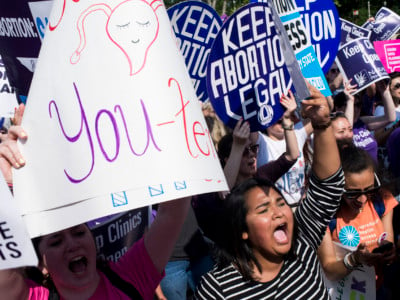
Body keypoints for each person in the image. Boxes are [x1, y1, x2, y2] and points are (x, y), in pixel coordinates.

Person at [0, 121, 190, 299]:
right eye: (56, 242)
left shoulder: (129, 278)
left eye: (79, 232)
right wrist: (5, 184)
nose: (72, 244)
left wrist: (168, 126)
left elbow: (172, 213)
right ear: (42, 265)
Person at [195, 83, 344, 299]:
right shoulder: (218, 289)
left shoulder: (301, 245)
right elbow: (222, 195)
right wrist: (238, 144)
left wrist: (322, 124)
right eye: (264, 209)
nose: (278, 212)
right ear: (242, 229)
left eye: (281, 203)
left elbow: (328, 188)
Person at [193, 92, 300, 244]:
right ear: (228, 159)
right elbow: (224, 191)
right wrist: (237, 145)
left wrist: (288, 120)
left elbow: (292, 155)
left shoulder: (261, 177)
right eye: (244, 152)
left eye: (253, 149)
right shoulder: (214, 191)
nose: (252, 155)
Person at [319, 146, 397, 298]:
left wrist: (389, 253)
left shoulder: (382, 200)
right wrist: (354, 259)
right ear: (337, 186)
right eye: (353, 193)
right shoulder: (326, 215)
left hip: (378, 289)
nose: (362, 199)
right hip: (343, 292)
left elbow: (387, 241)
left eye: (369, 190)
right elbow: (329, 270)